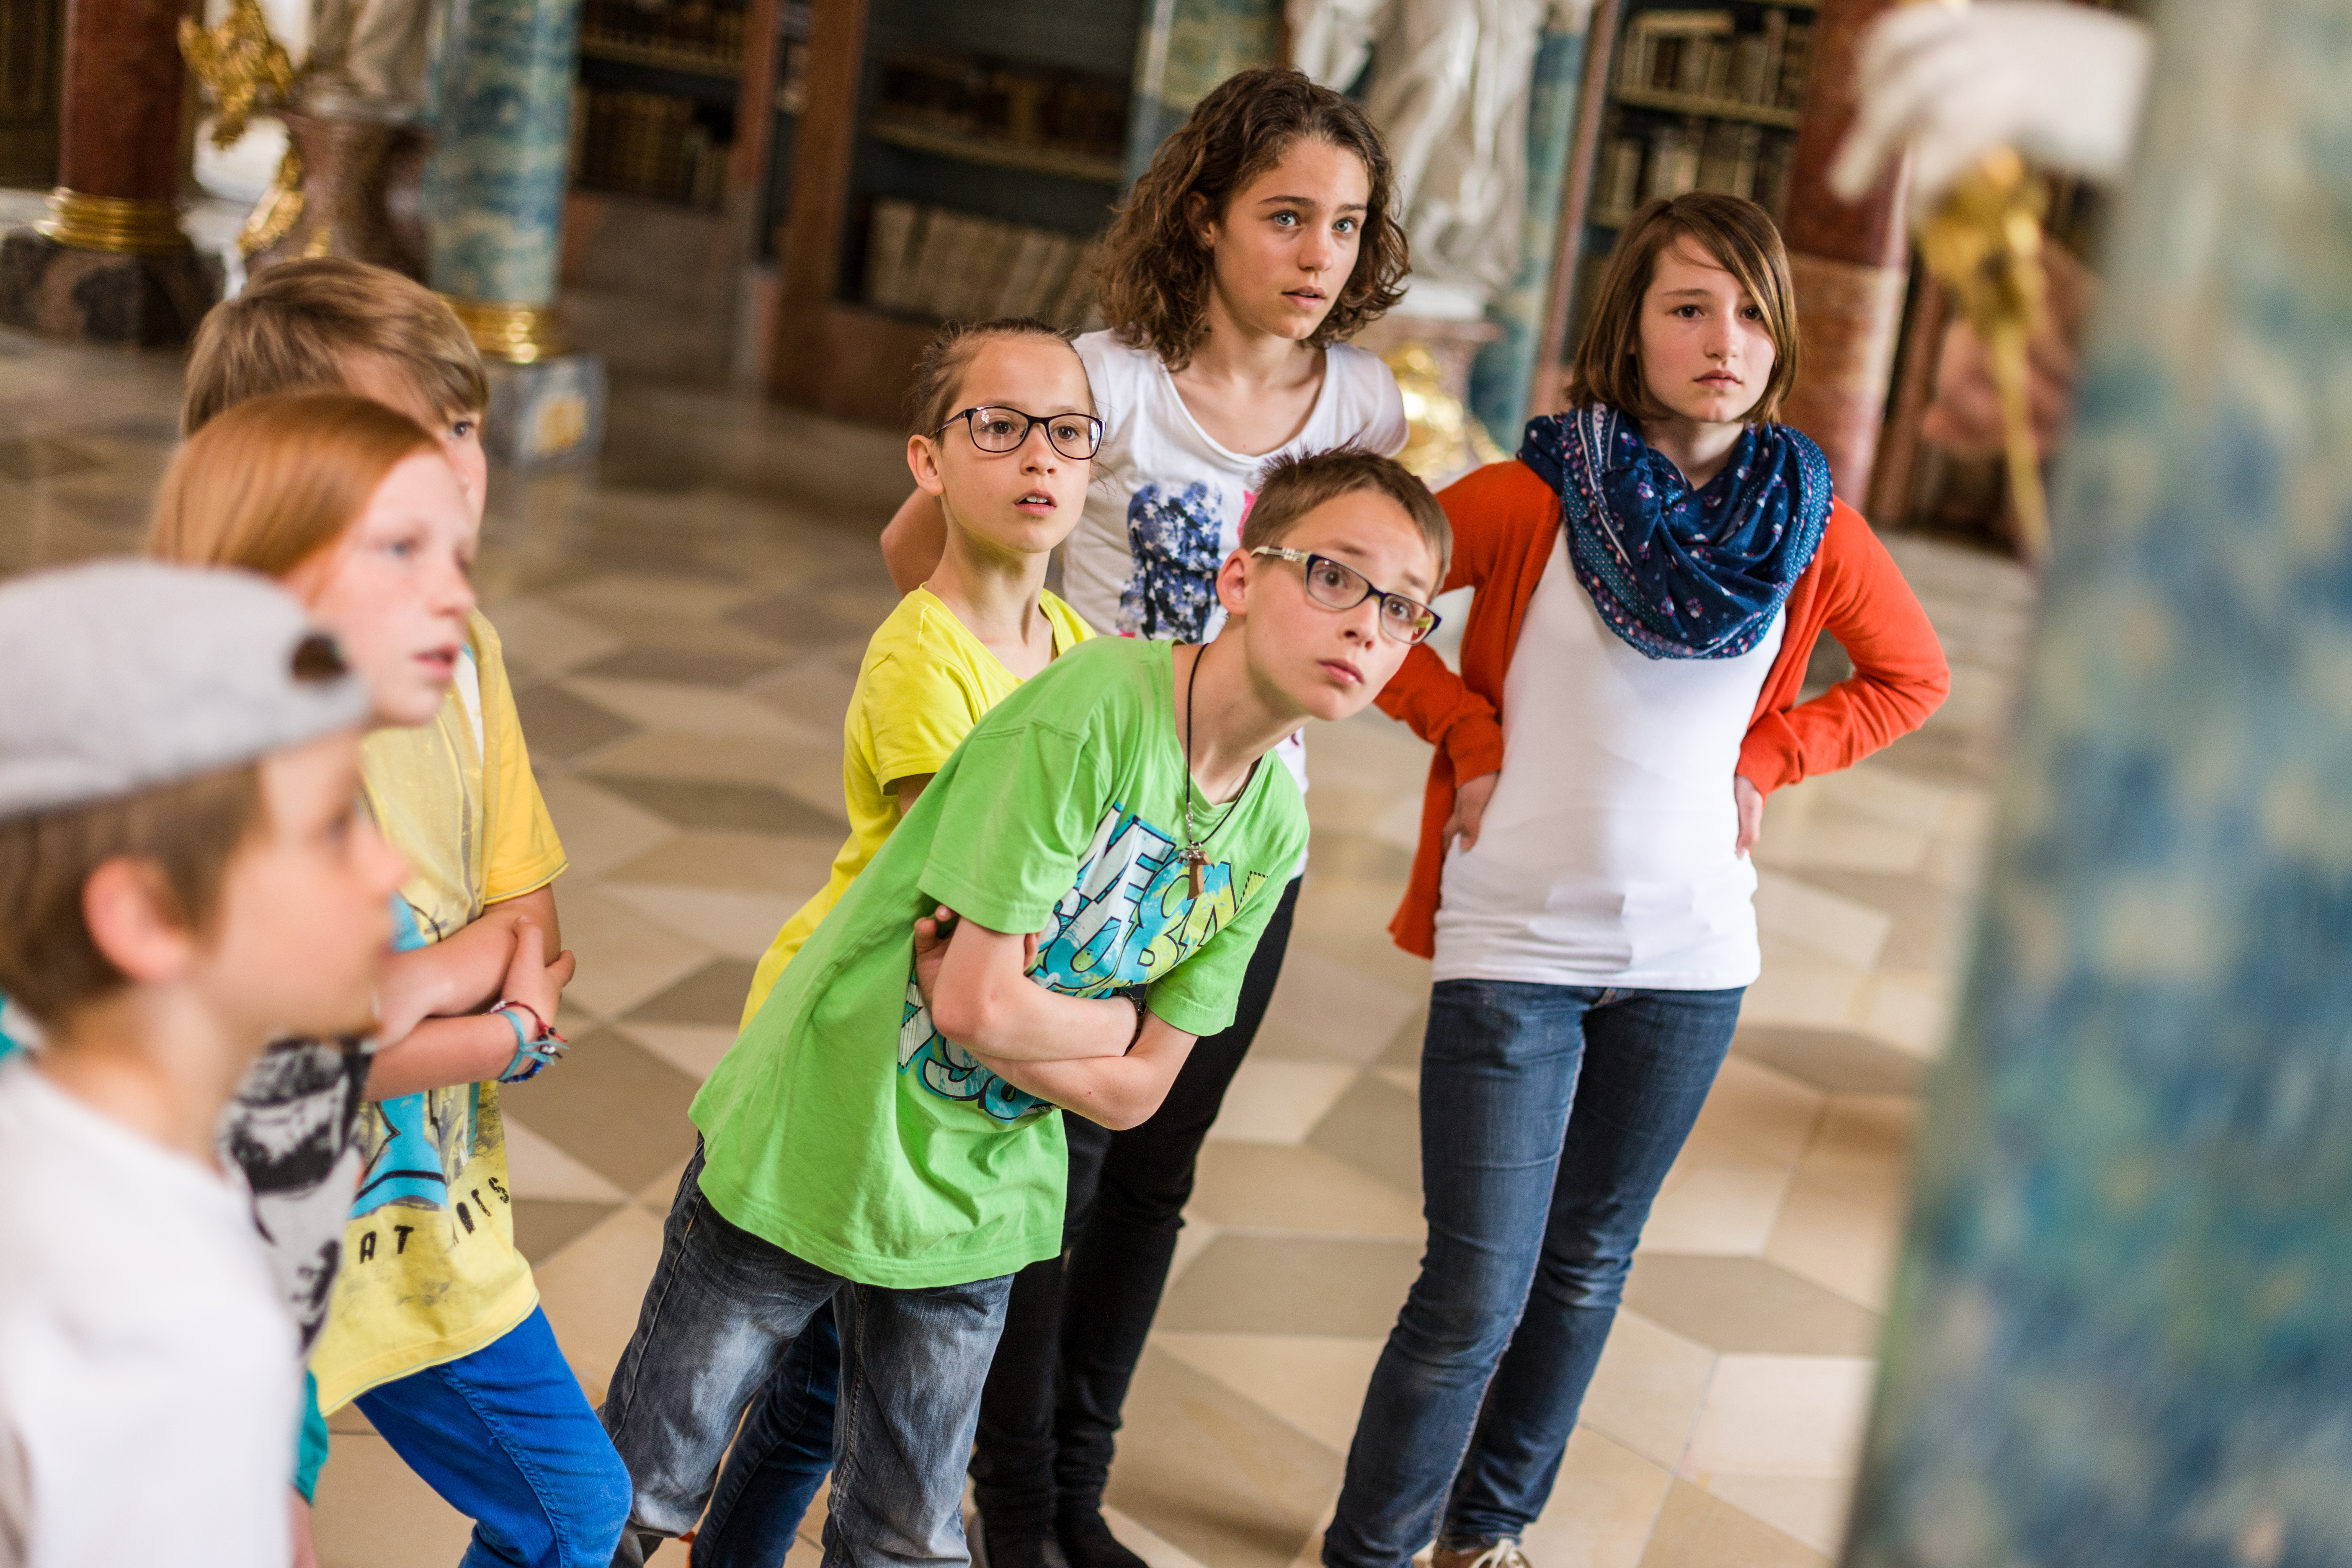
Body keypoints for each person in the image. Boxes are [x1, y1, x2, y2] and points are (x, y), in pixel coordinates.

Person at [600, 449, 1450, 1568]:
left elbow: (1144, 1094)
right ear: (1239, 580)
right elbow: (968, 1005)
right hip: (820, 1131)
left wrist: (1069, 1028)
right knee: (635, 1495)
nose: (1367, 628)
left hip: (981, 1192)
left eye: (1404, 609)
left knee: (907, 1539)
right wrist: (1105, 1027)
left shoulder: (1276, 833)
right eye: (1335, 578)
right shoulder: (1099, 707)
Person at [1320, 193, 1950, 1568]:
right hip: (1512, 943)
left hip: (1687, 960)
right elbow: (1358, 587)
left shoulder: (1809, 524)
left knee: (1586, 1264)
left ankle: (1483, 1534)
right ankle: (1366, 1551)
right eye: (1687, 307)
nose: (1723, 337)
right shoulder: (1535, 492)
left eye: (1748, 310)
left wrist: (1773, 754)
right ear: (1629, 329)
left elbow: (1911, 676)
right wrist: (1462, 727)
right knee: (1473, 1285)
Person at [877, 66, 1412, 1568]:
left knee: (1158, 1164)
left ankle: (1071, 1494)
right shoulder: (1103, 381)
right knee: (1062, 1154)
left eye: (1343, 225)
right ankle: (1012, 1504)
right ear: (1203, 219)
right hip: (1087, 833)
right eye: (1285, 216)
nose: (1317, 253)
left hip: (1247, 838)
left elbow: (1367, 591)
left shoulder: (1363, 400)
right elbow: (926, 543)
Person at [151, 389, 627, 1568]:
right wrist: (498, 1021)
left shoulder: (450, 667)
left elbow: (473, 944)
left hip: (417, 1222)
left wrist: (448, 982)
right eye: (402, 537)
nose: (458, 587)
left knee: (576, 1507)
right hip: (241, 1265)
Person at [684, 317, 1101, 1566]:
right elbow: (966, 894)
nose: (1039, 457)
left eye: (1068, 435)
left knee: (818, 1394)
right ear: (929, 460)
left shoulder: (1074, 650)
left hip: (948, 1080)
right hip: (854, 1055)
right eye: (1000, 428)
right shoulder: (923, 655)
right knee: (716, 1390)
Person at [0, 560, 406, 1567]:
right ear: (150, 915)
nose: (390, 867)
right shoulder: (163, 1322)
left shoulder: (62, 1147)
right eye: (330, 827)